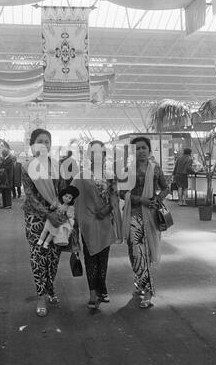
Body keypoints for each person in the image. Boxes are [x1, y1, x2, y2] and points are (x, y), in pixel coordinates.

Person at [22, 128, 67, 317]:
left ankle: (50, 288)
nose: (44, 144)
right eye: (40, 141)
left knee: (53, 256)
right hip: (35, 218)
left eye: (47, 141)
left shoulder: (57, 166)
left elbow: (64, 192)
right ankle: (41, 295)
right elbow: (30, 195)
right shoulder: (27, 166)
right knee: (38, 255)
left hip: (57, 216)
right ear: (32, 145)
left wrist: (62, 211)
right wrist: (46, 214)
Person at [72, 140, 122, 309]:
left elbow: (115, 196)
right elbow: (71, 195)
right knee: (90, 257)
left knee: (103, 258)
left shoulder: (110, 175)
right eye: (93, 152)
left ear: (105, 155)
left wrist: (108, 208)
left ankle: (103, 288)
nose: (97, 155)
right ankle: (93, 292)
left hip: (105, 220)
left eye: (100, 152)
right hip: (88, 222)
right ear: (89, 155)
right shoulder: (81, 176)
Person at [122, 136, 169, 308]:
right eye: (137, 148)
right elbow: (122, 193)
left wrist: (157, 199)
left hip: (151, 216)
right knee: (135, 253)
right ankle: (140, 281)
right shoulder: (128, 170)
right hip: (133, 215)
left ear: (149, 150)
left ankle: (148, 291)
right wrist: (140, 199)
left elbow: (166, 187)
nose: (141, 151)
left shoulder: (156, 169)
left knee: (146, 252)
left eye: (144, 148)